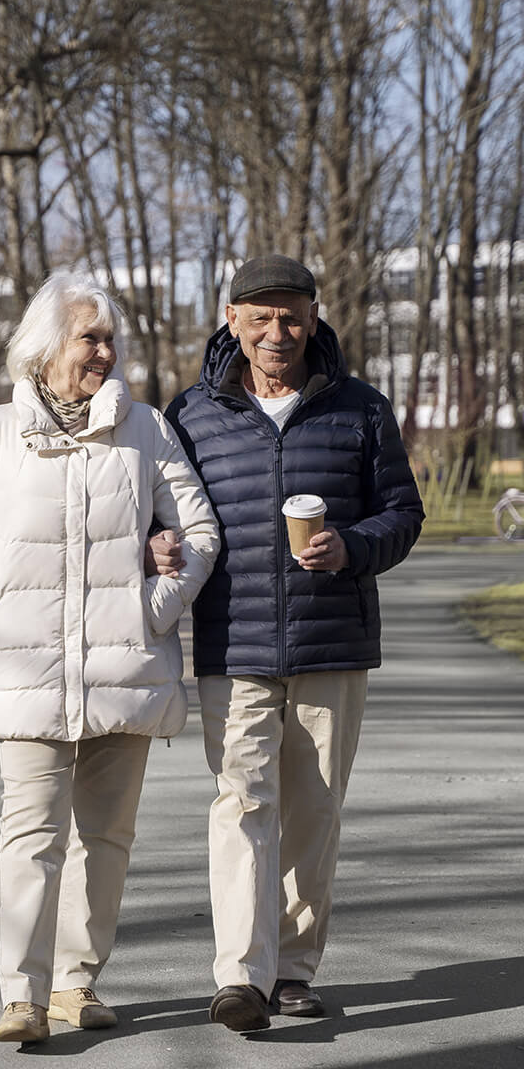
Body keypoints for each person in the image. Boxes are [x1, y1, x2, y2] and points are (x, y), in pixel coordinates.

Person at [0, 273, 219, 1045]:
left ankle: (76, 984)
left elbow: (199, 532)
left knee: (107, 838)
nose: (105, 351)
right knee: (30, 834)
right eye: (90, 337)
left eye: (108, 338)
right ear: (46, 345)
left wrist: (154, 606)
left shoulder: (147, 430)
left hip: (124, 672)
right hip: (24, 672)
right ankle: (20, 996)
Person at [154, 253, 424, 1033]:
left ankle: (294, 969)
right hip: (232, 644)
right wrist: (157, 545)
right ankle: (241, 974)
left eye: (292, 314)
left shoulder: (361, 408)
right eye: (261, 316)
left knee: (313, 808)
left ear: (314, 315)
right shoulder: (190, 415)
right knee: (242, 803)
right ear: (231, 319)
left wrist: (352, 545)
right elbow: (159, 516)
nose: (279, 331)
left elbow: (402, 514)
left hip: (332, 642)